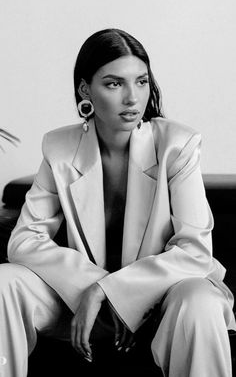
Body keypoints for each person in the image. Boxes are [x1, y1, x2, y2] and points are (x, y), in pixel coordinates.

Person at [0, 28, 235, 377]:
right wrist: (92, 289)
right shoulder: (60, 148)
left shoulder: (178, 145)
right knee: (5, 281)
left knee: (199, 301)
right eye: (114, 84)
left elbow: (195, 251)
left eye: (141, 82)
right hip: (79, 303)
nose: (132, 98)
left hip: (163, 300)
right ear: (85, 90)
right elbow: (24, 240)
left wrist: (112, 292)